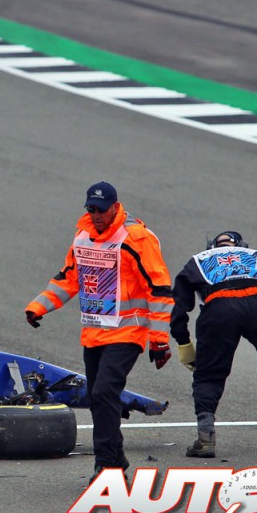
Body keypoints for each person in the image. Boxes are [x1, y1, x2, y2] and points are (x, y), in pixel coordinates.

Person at [24, 181, 174, 477]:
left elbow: (159, 289)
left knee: (105, 392)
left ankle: (105, 464)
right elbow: (69, 277)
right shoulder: (83, 236)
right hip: (94, 333)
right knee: (97, 396)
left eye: (102, 210)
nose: (96, 215)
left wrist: (159, 340)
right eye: (91, 209)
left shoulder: (136, 238)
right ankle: (116, 458)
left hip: (128, 331)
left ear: (116, 207)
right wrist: (39, 306)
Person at [170, 231, 257, 458]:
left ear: (212, 246)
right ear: (240, 245)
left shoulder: (198, 261)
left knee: (209, 373)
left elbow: (179, 306)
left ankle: (206, 436)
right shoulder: (253, 256)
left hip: (218, 308)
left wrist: (183, 342)